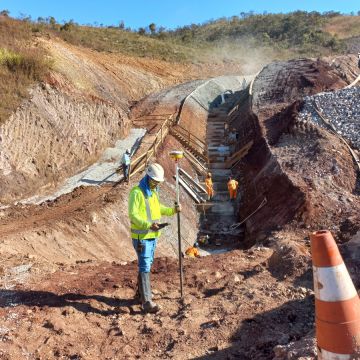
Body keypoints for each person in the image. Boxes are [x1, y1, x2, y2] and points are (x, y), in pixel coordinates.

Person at [128, 163, 181, 313]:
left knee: (147, 264)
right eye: (154, 181)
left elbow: (158, 208)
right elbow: (133, 215)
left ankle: (140, 294)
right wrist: (148, 225)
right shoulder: (137, 193)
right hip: (141, 236)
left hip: (152, 236)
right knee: (144, 265)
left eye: (158, 182)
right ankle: (146, 302)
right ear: (148, 177)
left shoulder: (153, 192)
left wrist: (173, 210)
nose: (156, 183)